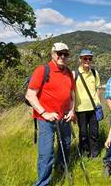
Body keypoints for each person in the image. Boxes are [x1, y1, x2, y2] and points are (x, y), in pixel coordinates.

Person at [25, 42, 75, 186]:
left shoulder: (68, 72)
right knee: (46, 154)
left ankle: (60, 170)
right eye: (59, 53)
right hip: (46, 120)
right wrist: (45, 113)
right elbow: (30, 95)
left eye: (65, 54)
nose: (62, 57)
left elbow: (71, 94)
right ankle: (42, 183)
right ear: (52, 54)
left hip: (64, 117)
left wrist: (72, 110)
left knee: (65, 146)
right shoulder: (42, 70)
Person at [73, 49, 101, 158]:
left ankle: (94, 154)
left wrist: (97, 101)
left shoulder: (94, 72)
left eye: (90, 58)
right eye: (85, 58)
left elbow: (97, 88)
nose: (87, 60)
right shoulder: (75, 74)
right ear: (80, 59)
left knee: (94, 132)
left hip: (93, 108)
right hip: (80, 109)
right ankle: (85, 153)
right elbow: (72, 92)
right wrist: (72, 109)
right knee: (83, 133)